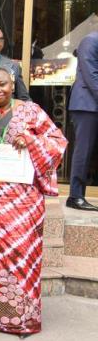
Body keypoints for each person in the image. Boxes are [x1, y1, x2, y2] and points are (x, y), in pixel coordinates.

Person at [0, 68, 67, 337]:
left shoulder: (31, 111)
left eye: (2, 85)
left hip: (21, 203)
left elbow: (58, 143)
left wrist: (30, 139)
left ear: (12, 84)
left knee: (20, 256)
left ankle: (18, 317)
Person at [67, 31, 98, 211]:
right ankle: (75, 196)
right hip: (87, 105)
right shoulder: (91, 40)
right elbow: (91, 76)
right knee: (83, 152)